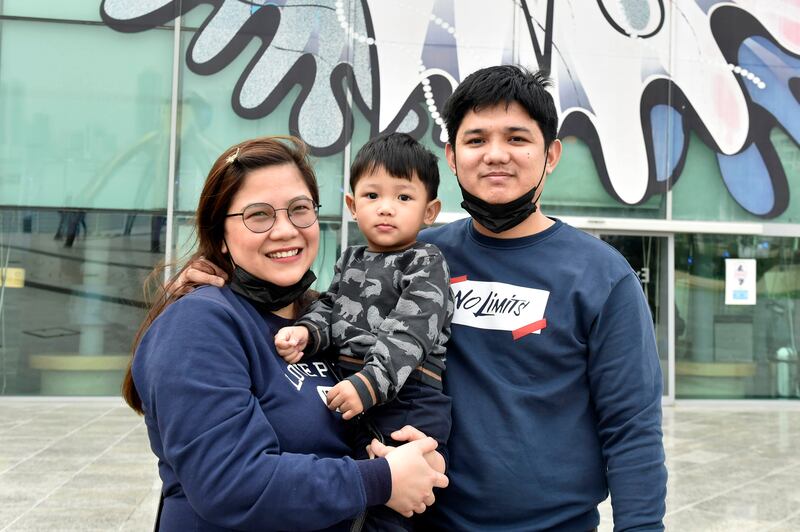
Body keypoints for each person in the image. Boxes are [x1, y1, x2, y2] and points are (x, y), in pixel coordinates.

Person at [181, 66, 668, 531]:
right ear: (452, 156)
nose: (496, 154)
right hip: (422, 516)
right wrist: (227, 282)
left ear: (551, 155)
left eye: (517, 138)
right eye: (476, 140)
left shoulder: (602, 276)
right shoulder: (418, 253)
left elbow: (631, 429)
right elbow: (339, 312)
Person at [122, 136, 448, 532]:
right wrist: (383, 479)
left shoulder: (318, 320)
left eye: (299, 209)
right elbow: (230, 483)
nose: (285, 230)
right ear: (220, 234)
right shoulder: (198, 323)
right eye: (258, 215)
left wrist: (419, 458)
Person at [274, 133, 453, 530]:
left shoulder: (426, 261)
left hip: (409, 396)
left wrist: (368, 383)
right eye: (372, 196)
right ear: (353, 206)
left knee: (393, 504)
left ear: (430, 210)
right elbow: (331, 307)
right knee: (359, 493)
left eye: (404, 198)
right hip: (354, 389)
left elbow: (410, 333)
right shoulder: (350, 258)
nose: (386, 208)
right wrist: (307, 333)